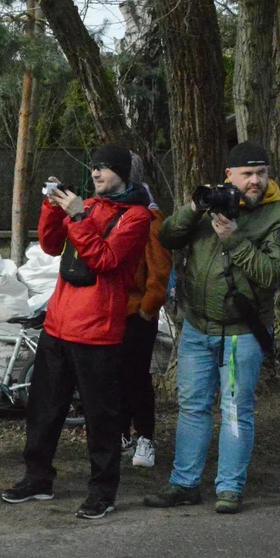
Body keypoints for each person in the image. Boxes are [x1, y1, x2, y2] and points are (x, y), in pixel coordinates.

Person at [1, 145, 151, 520]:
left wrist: (79, 216)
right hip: (59, 324)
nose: (97, 173)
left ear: (123, 173)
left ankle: (103, 491)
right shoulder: (87, 206)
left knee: (101, 418)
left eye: (105, 168)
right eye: (94, 167)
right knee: (43, 411)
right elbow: (51, 246)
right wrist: (53, 206)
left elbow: (105, 260)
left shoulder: (136, 218)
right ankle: (37, 478)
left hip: (98, 332)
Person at [144, 142, 280, 514]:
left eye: (261, 173)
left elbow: (272, 275)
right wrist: (194, 207)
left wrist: (235, 239)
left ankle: (229, 488)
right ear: (229, 175)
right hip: (197, 328)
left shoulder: (278, 218)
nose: (255, 181)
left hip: (241, 333)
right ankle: (184, 484)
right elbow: (167, 237)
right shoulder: (213, 201)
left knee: (234, 410)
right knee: (192, 407)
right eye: (247, 174)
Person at [119, 153, 173, 468]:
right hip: (115, 311)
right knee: (118, 376)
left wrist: (148, 308)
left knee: (137, 377)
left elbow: (160, 268)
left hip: (138, 314)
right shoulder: (115, 212)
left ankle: (146, 438)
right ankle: (122, 433)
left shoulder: (150, 217)